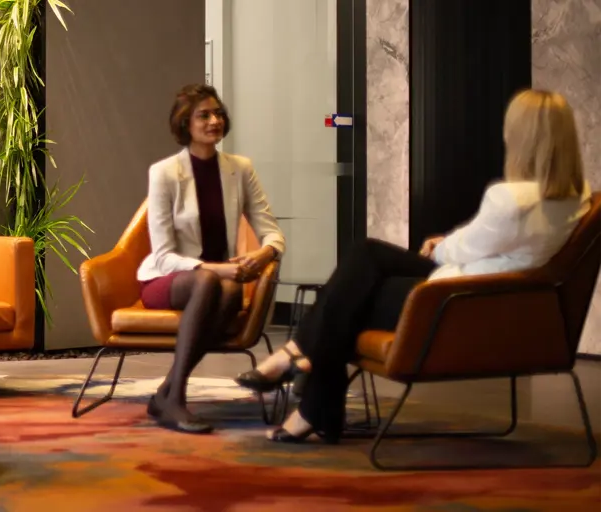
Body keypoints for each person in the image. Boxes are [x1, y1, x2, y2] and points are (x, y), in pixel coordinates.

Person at [236, 88, 592, 443]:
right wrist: (448, 246)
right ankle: (307, 376)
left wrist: (440, 246)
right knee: (367, 256)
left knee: (357, 292)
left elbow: (463, 250)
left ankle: (306, 370)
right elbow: (494, 244)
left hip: (456, 302)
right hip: (497, 297)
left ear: (522, 137)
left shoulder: (510, 199)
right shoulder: (578, 198)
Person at [139, 84, 286, 434]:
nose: (214, 120)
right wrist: (221, 268)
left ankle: (166, 392)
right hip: (165, 279)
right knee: (211, 281)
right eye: (204, 115)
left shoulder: (240, 169)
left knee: (230, 291)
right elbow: (162, 256)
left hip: (219, 282)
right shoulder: (164, 173)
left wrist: (263, 254)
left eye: (218, 113)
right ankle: (176, 399)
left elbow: (273, 233)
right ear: (185, 123)